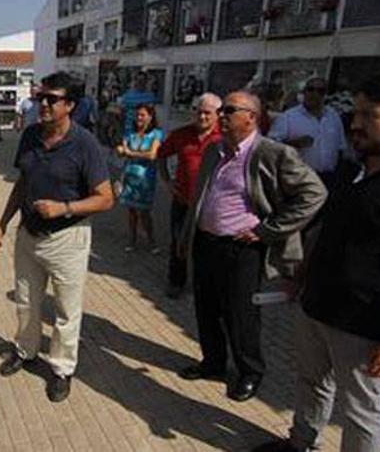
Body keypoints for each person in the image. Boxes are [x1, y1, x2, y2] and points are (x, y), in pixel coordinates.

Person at [253, 76, 380, 452]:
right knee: (312, 382)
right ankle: (301, 442)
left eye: (369, 115)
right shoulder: (355, 167)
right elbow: (325, 231)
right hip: (316, 306)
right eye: (355, 113)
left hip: (364, 325)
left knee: (361, 410)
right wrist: (300, 279)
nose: (355, 124)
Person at [178, 91, 326, 402]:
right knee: (206, 308)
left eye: (229, 110)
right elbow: (201, 197)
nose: (221, 116)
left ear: (251, 117)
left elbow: (314, 194)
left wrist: (268, 230)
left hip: (241, 250)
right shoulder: (215, 150)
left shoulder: (272, 152)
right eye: (221, 110)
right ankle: (214, 363)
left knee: (240, 314)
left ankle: (249, 372)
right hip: (206, 243)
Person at [0, 71, 113, 402]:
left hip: (67, 239)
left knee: (65, 309)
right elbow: (22, 182)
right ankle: (26, 350)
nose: (42, 103)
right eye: (40, 97)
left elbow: (105, 197)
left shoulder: (85, 143)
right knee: (27, 302)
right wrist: (2, 222)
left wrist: (64, 208)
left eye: (51, 99)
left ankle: (61, 368)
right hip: (28, 236)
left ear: (70, 105)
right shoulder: (31, 136)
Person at [158, 92, 222, 298]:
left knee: (207, 247)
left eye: (207, 113)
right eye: (198, 112)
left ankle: (204, 285)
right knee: (179, 242)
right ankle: (176, 281)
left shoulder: (224, 138)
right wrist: (167, 182)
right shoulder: (181, 134)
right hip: (183, 200)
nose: (202, 117)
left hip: (211, 205)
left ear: (218, 115)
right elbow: (161, 155)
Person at [268, 77, 347, 189]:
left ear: (325, 94)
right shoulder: (288, 117)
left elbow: (340, 148)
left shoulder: (333, 116)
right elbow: (270, 146)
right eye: (311, 89)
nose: (315, 94)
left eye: (320, 91)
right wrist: (293, 143)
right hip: (300, 179)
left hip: (329, 179)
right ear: (304, 92)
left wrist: (339, 178)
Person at [116, 103, 164, 253]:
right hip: (129, 176)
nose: (139, 118)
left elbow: (152, 155)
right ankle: (132, 240)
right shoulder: (130, 134)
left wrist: (129, 152)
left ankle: (151, 241)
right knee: (131, 211)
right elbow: (120, 150)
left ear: (150, 117)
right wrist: (122, 150)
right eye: (137, 115)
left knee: (144, 212)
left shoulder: (156, 133)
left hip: (146, 179)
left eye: (142, 115)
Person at [118, 72, 158, 137]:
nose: (141, 82)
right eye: (139, 80)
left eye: (143, 80)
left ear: (146, 81)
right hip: (129, 131)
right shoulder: (127, 96)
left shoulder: (150, 96)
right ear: (135, 81)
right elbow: (121, 114)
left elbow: (153, 115)